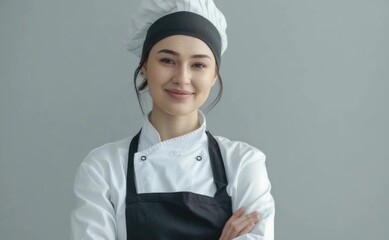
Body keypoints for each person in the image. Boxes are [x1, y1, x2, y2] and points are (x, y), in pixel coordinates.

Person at [71, 0, 275, 239]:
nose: (182, 78)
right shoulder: (103, 168)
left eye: (198, 65)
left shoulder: (242, 164)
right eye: (167, 60)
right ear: (145, 66)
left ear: (213, 76)